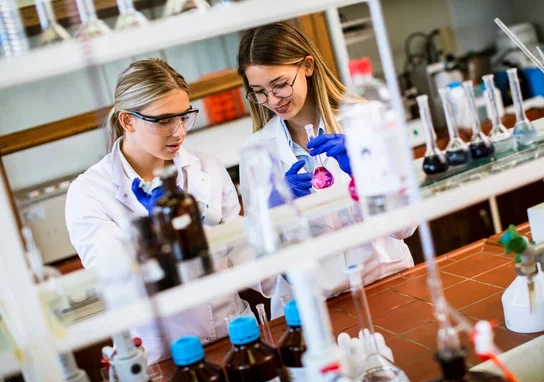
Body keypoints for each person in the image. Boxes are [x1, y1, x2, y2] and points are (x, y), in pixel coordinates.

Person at [65, 59, 284, 364]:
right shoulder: (89, 193)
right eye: (164, 120)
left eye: (184, 117)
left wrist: (295, 265)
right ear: (128, 121)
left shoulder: (206, 166)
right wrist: (154, 236)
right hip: (163, 356)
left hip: (234, 334)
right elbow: (117, 284)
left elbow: (246, 254)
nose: (179, 131)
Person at [237, 22, 417, 305]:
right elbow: (264, 276)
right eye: (258, 91)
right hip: (313, 304)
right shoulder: (255, 151)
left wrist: (363, 173)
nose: (271, 100)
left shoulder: (365, 118)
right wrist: (275, 212)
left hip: (385, 283)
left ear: (307, 66)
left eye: (280, 85)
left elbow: (406, 226)